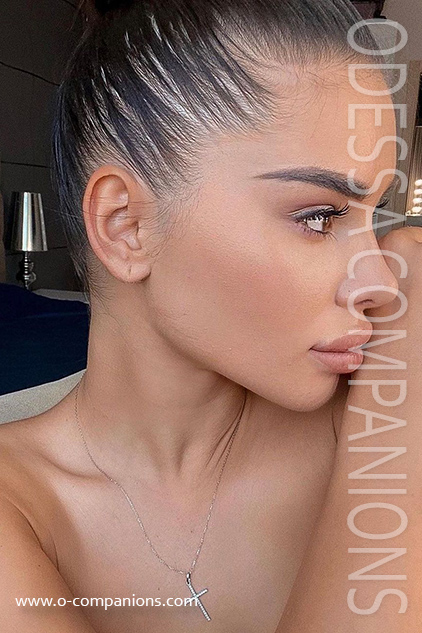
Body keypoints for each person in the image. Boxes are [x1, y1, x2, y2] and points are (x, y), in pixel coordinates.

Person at [0, 0, 404, 631]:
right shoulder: (18, 502)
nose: (381, 281)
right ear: (127, 226)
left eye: (376, 218)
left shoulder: (372, 422)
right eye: (320, 216)